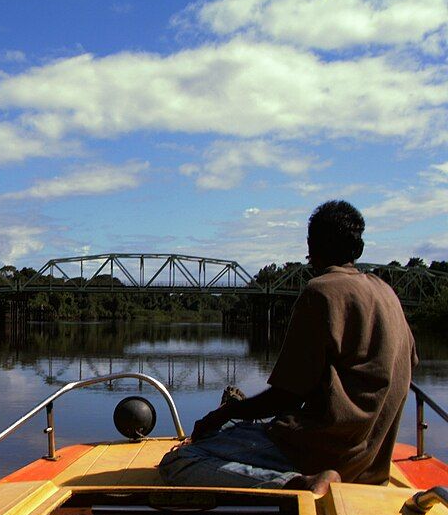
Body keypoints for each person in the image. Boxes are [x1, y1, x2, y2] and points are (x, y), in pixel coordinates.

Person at [158, 200, 418, 495]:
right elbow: (407, 367)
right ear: (357, 250)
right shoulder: (388, 295)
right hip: (369, 463)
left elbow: (287, 397)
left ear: (312, 246)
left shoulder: (321, 292)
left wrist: (220, 415)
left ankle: (298, 484)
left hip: (316, 451)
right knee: (235, 433)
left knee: (181, 460)